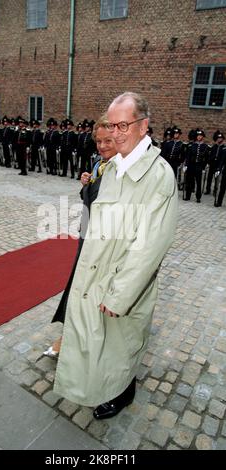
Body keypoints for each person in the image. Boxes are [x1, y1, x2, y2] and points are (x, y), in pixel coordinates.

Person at [53, 92, 178, 419]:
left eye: (124, 124)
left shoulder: (158, 174)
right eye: (112, 124)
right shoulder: (112, 167)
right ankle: (98, 384)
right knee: (99, 344)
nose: (116, 132)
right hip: (96, 275)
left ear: (143, 126)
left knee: (121, 345)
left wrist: (121, 293)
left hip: (121, 284)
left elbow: (151, 244)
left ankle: (122, 392)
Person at [44, 116, 117, 358]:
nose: (102, 146)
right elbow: (89, 198)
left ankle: (77, 338)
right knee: (79, 283)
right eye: (98, 141)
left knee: (91, 286)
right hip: (87, 232)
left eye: (108, 140)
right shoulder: (99, 163)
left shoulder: (121, 169)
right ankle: (72, 333)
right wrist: (85, 183)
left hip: (104, 239)